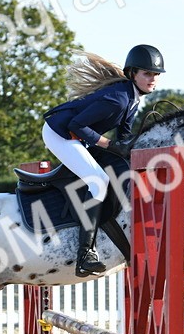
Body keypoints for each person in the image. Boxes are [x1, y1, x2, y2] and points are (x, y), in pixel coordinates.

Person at [43, 44, 164, 275]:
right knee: (98, 181)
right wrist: (109, 144)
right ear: (133, 74)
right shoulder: (118, 98)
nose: (153, 79)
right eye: (147, 73)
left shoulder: (133, 99)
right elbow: (76, 125)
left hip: (77, 135)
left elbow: (124, 136)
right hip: (60, 133)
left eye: (156, 74)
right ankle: (85, 255)